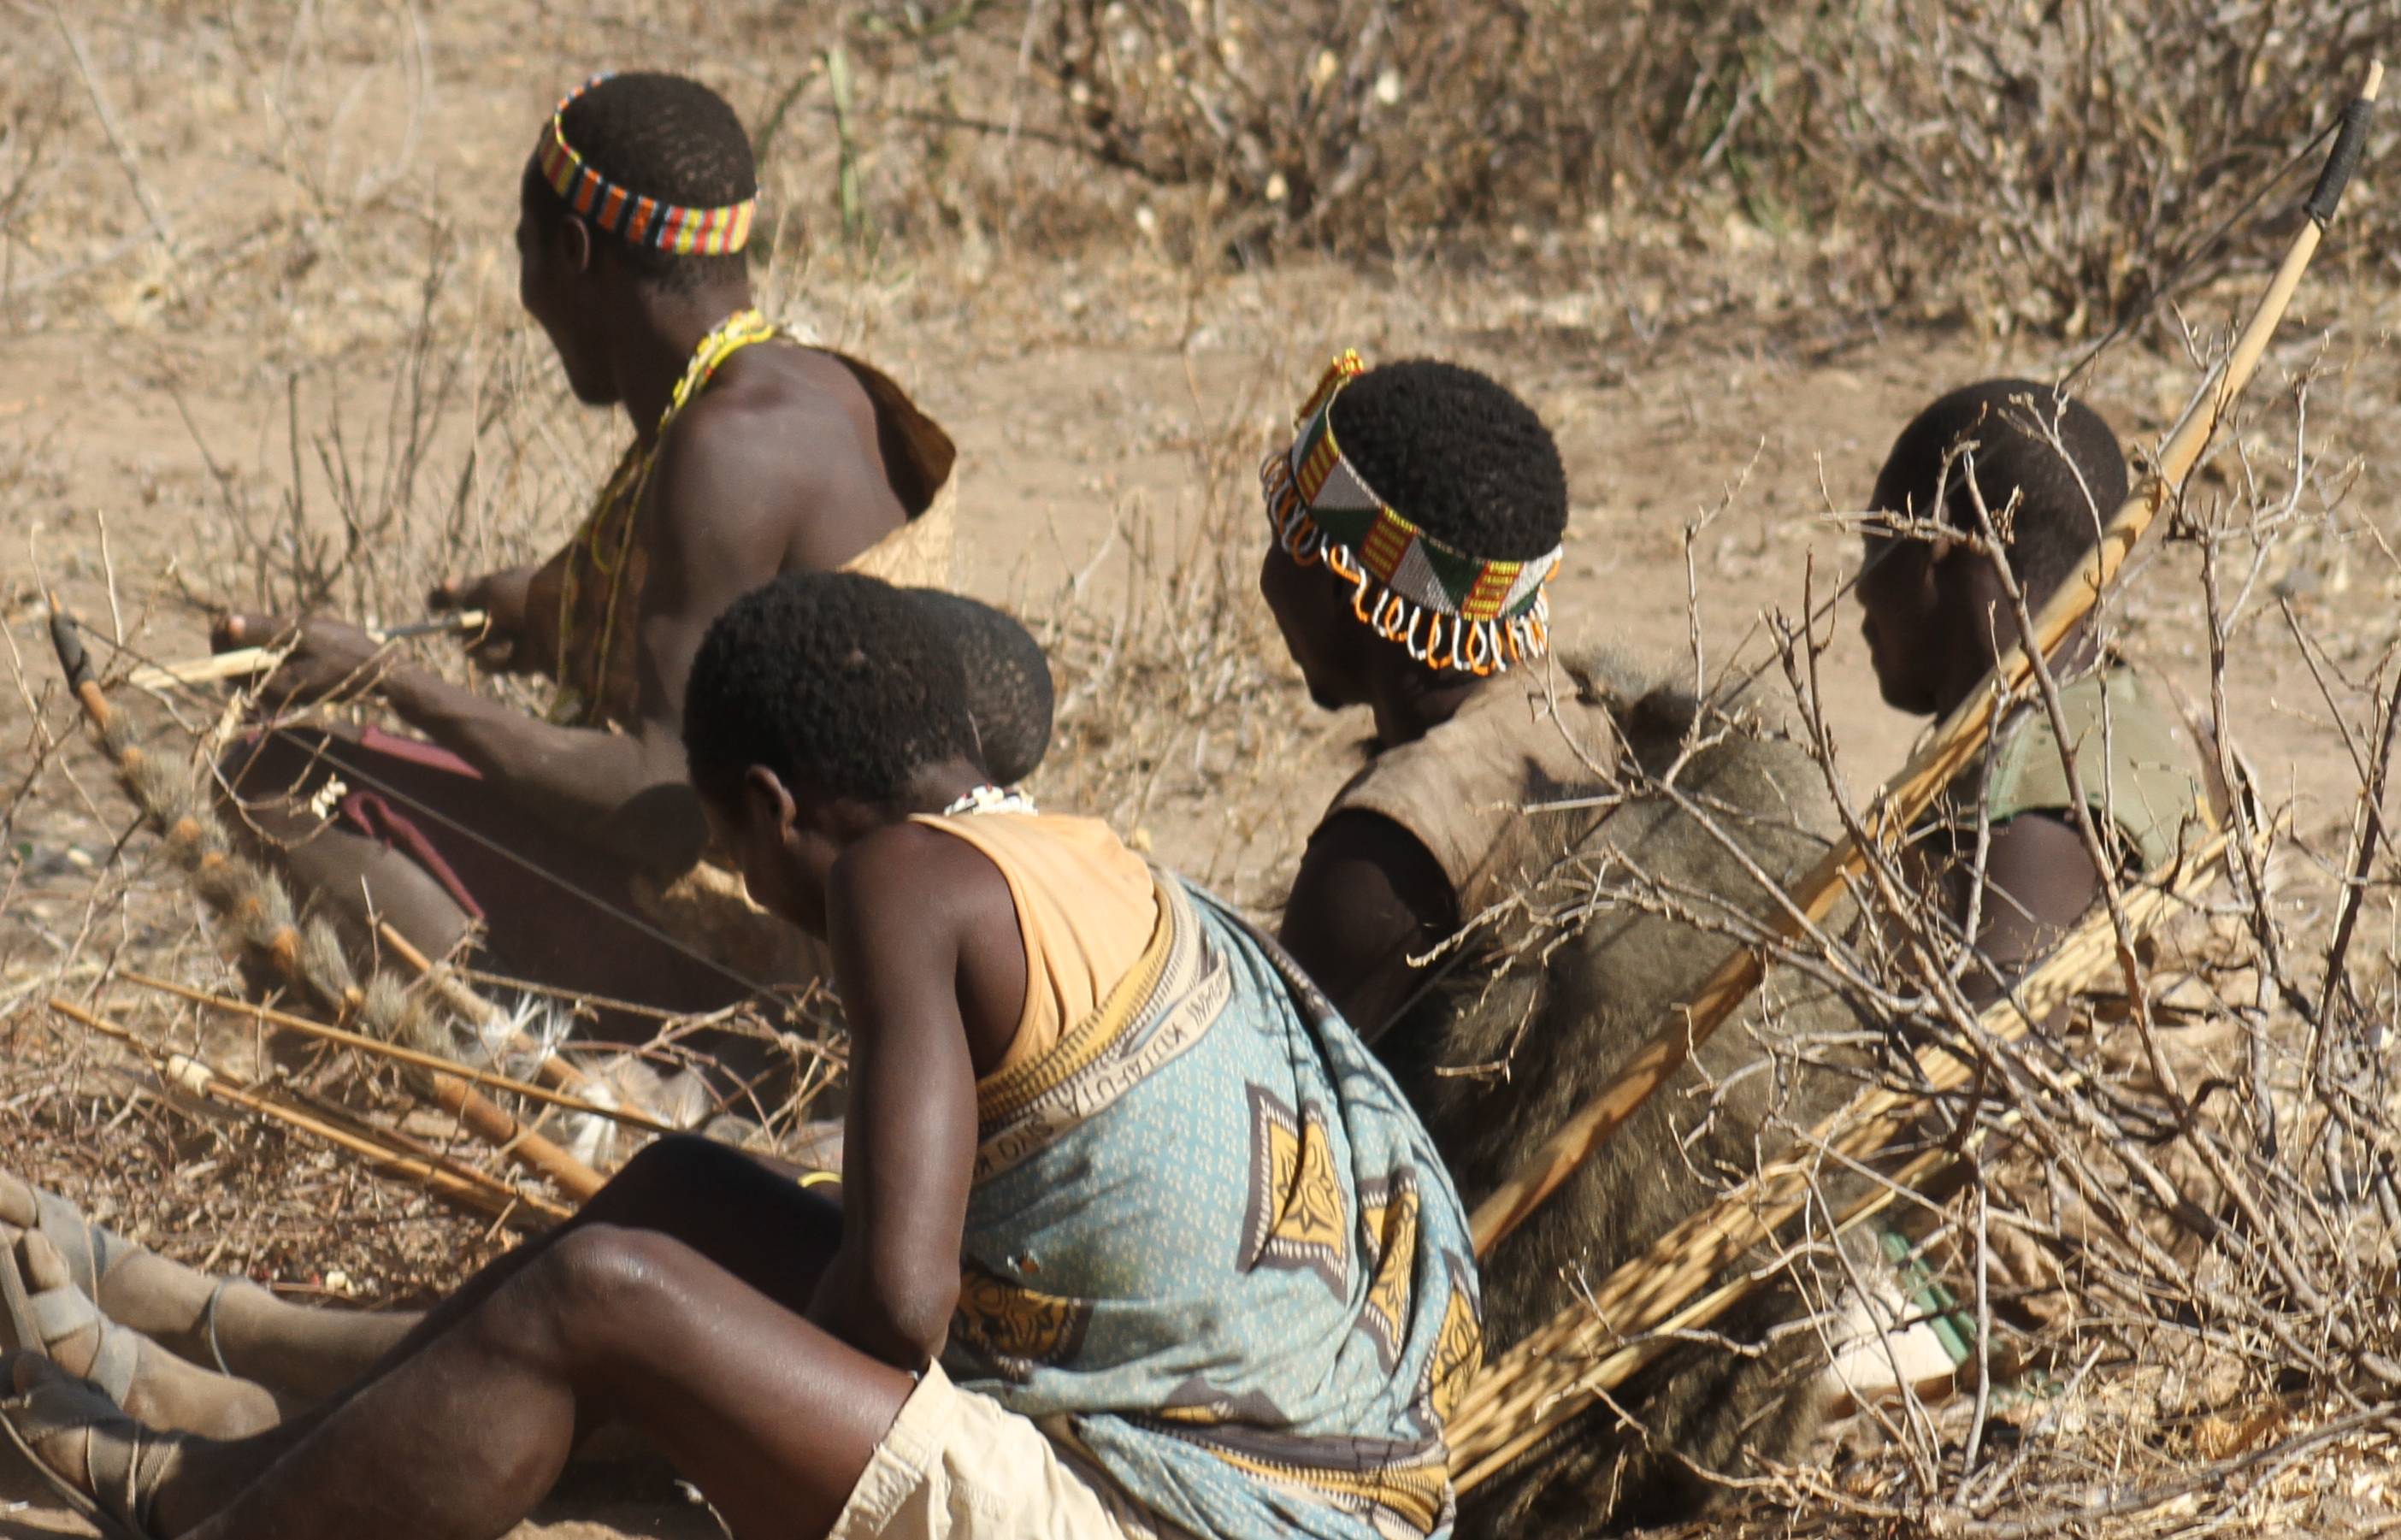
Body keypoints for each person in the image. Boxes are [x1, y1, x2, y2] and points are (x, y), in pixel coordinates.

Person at [1, 571, 1483, 1540]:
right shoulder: (1092, 859)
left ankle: (198, 1506)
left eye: (731, 842)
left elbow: (893, 1310)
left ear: (773, 807)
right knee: (686, 1198)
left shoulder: (900, 882)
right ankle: (242, 1416)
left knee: (606, 1295)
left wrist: (685, 1384)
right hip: (1319, 1489)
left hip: (1195, 1514)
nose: (748, 883)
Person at [213, 70, 960, 1033]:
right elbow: (752, 654)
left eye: (527, 253)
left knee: (278, 772)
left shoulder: (723, 451)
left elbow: (664, 804)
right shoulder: (810, 388)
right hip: (881, 926)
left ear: (572, 250)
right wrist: (559, 611)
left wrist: (393, 679)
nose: (528, 293)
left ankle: (540, 1063)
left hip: (795, 967)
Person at [1259, 353, 1861, 1532]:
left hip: (1518, 1439)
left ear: (1343, 586)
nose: (1266, 576)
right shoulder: (1597, 723)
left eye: (1284, 542)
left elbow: (1272, 1155)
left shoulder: (1394, 849)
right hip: (1710, 1404)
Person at [1855, 378, 2213, 982]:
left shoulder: (2036, 808)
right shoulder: (2100, 700)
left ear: (1937, 540)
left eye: (1876, 544)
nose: (1862, 587)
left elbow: (1994, 1035)